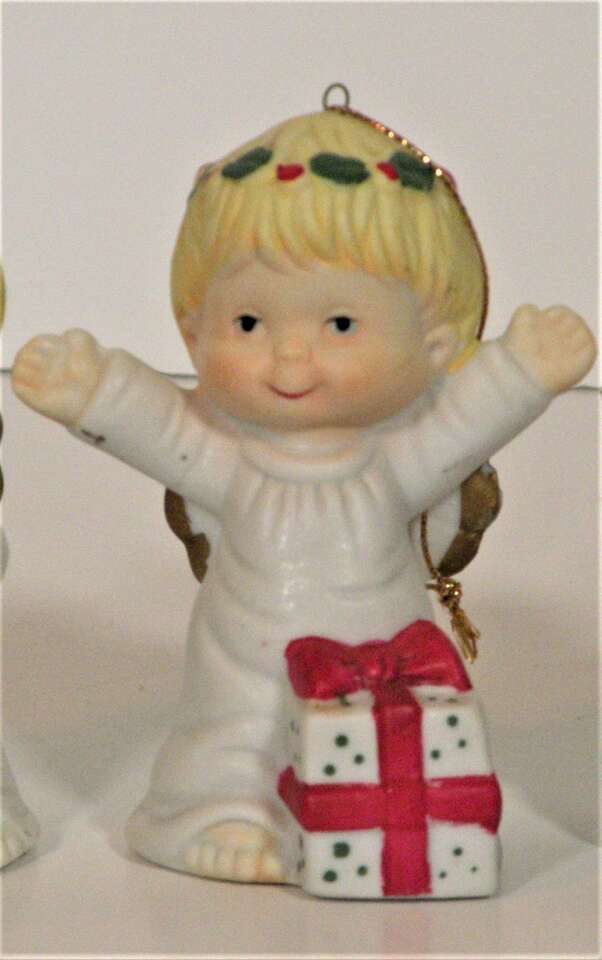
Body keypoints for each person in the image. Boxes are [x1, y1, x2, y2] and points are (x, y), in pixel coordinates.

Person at [12, 107, 596, 884]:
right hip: (246, 658)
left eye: (341, 323)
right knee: (239, 729)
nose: (291, 357)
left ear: (434, 346)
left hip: (377, 661)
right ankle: (219, 813)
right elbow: (163, 427)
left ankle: (376, 825)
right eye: (249, 322)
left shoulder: (395, 465)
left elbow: (460, 425)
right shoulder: (232, 462)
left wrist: (523, 372)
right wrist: (93, 393)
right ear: (193, 333)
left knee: (395, 737)